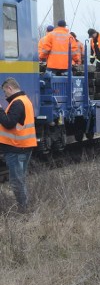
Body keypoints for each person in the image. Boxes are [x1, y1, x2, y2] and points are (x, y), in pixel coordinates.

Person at [0, 78, 37, 212]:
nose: (5, 95)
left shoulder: (17, 102)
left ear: (10, 88)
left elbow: (9, 122)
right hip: (23, 146)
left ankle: (24, 210)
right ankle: (25, 207)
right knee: (20, 179)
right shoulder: (25, 100)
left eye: (5, 92)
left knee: (16, 181)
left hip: (16, 148)